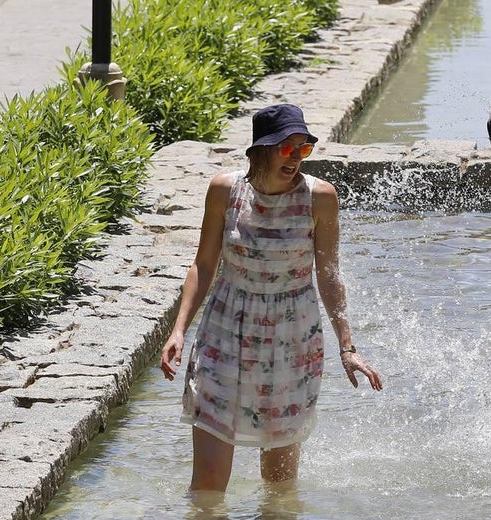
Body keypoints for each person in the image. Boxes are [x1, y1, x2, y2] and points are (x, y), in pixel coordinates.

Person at [160, 103, 383, 492]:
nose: (296, 157)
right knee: (209, 485)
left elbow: (329, 277)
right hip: (224, 334)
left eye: (304, 148)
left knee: (279, 489)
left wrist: (348, 347)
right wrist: (178, 330)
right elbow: (203, 265)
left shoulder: (320, 197)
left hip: (292, 340)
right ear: (260, 150)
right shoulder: (225, 191)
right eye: (287, 148)